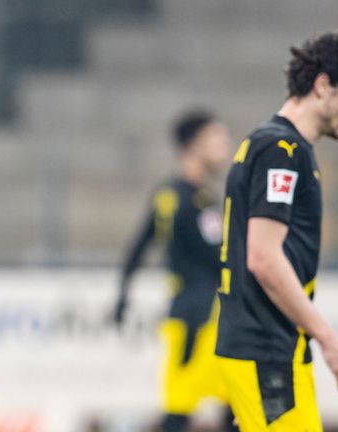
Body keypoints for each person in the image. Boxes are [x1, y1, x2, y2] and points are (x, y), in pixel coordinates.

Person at [215, 31, 338, 431]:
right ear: (323, 85)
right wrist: (329, 339)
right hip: (265, 349)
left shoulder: (281, 147)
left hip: (273, 349)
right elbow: (263, 258)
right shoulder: (281, 152)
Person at [113, 110, 236, 432]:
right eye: (216, 139)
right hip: (200, 320)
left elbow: (137, 249)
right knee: (191, 411)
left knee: (227, 407)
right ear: (194, 145)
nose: (224, 147)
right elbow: (218, 259)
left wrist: (122, 296)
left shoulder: (176, 195)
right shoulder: (191, 200)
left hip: (194, 314)